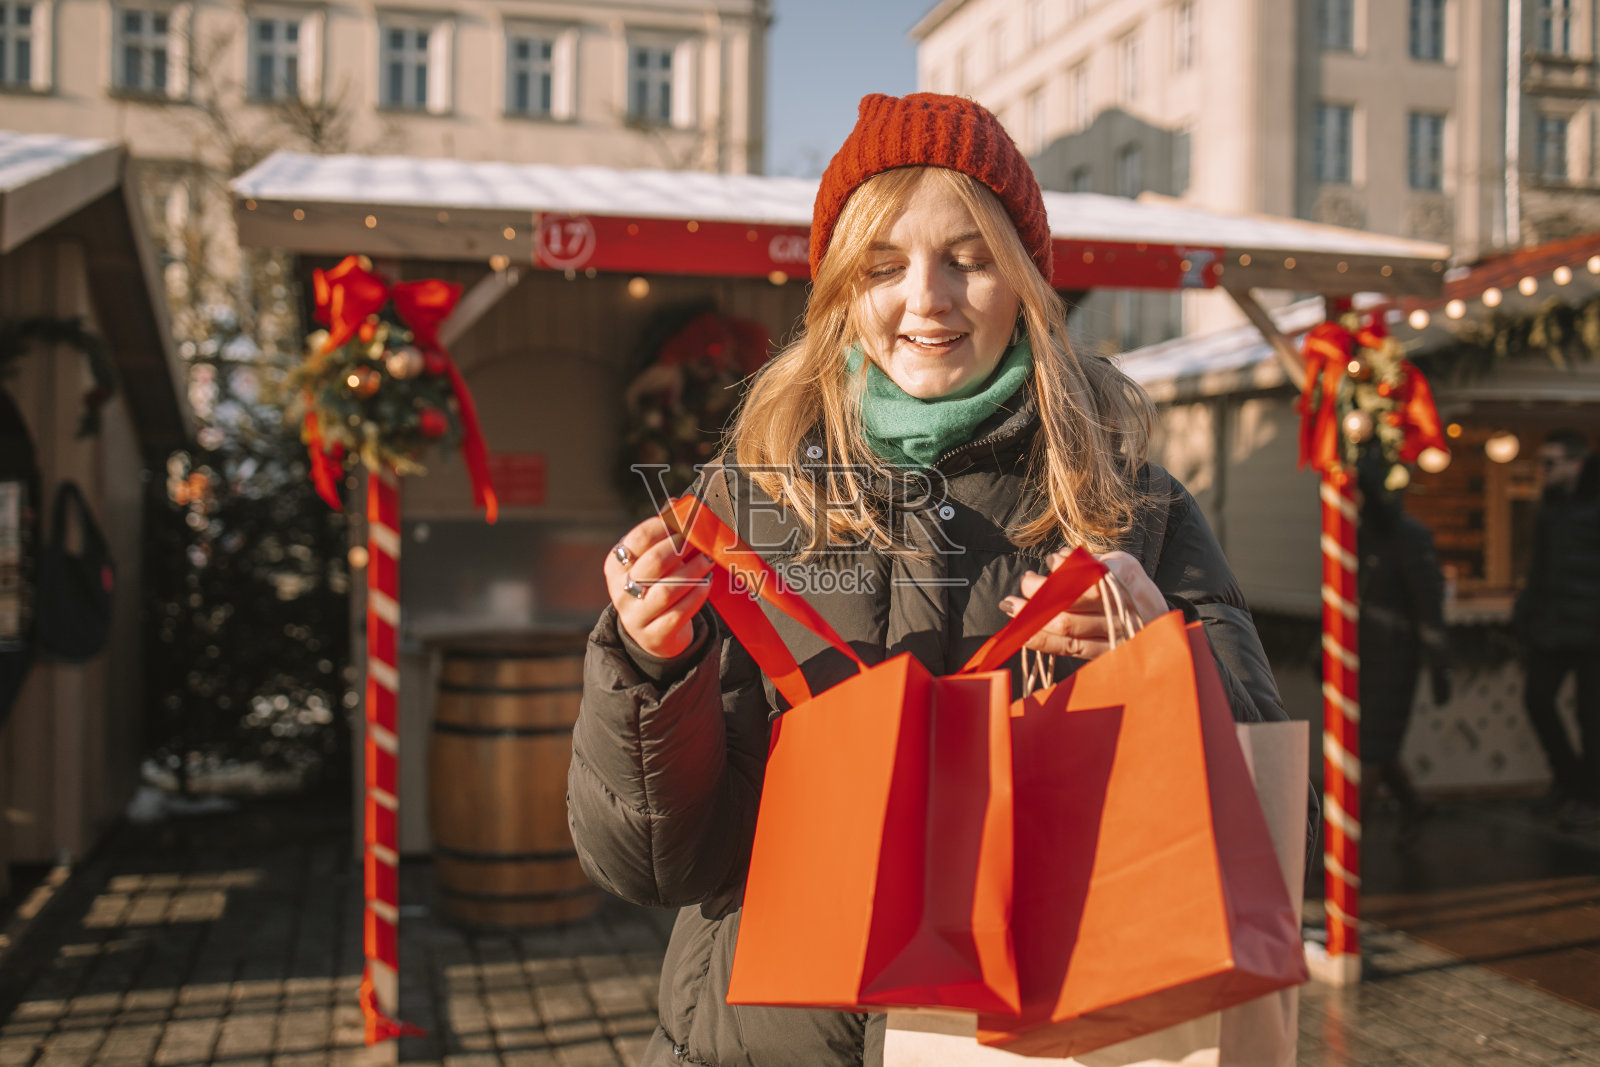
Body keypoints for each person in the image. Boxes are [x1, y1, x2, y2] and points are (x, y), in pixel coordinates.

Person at [567, 92, 1289, 1067]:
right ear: (837, 294)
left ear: (1027, 278)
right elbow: (656, 862)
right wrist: (652, 670)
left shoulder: (1137, 512)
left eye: (970, 257)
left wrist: (1167, 654)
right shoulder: (745, 512)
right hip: (759, 1038)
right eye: (882, 265)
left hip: (1057, 1029)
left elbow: (1272, 832)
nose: (927, 298)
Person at [1355, 448, 1451, 835]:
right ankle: (1414, 804)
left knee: (1372, 747)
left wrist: (1440, 665)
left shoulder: (1409, 538)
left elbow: (1429, 603)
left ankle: (1343, 846)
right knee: (1377, 743)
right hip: (1363, 651)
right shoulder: (1360, 533)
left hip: (1394, 657)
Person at [1514, 428, 1600, 827]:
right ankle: (1571, 782)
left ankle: (1588, 795)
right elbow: (1539, 569)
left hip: (1591, 631)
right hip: (1554, 625)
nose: (1543, 471)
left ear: (1576, 464)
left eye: (1550, 463)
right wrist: (1526, 617)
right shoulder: (1550, 507)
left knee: (1591, 716)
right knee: (1538, 700)